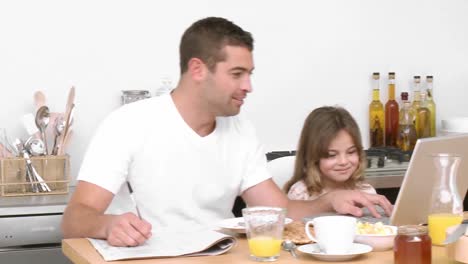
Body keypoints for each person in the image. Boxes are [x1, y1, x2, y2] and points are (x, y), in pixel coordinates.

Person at [61, 17, 393, 247]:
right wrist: (108, 225)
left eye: (249, 74)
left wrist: (330, 200)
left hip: (220, 254)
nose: (248, 86)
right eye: (237, 74)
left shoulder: (240, 130)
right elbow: (75, 220)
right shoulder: (128, 123)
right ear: (198, 69)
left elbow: (279, 213)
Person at [285, 106, 377, 201]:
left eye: (351, 152)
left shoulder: (367, 192)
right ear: (313, 157)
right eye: (332, 155)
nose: (343, 162)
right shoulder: (300, 195)